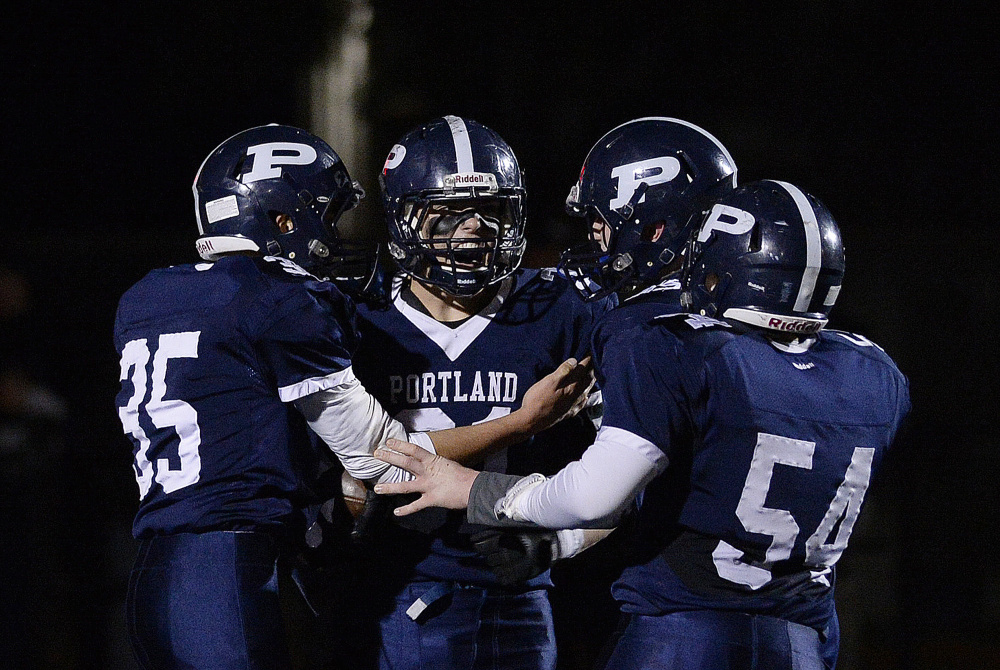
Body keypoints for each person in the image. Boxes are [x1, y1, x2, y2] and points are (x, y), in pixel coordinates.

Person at [373, 178, 911, 670]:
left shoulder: (678, 346)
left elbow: (598, 492)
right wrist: (559, 546)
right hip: (804, 635)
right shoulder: (872, 372)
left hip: (685, 632)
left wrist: (474, 488)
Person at [112, 123, 591, 670]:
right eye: (324, 215)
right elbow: (379, 461)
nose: (332, 235)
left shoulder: (150, 296)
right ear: (282, 219)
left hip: (161, 559)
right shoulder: (291, 304)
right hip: (240, 570)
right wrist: (523, 421)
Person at [311, 114, 618, 670]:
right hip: (399, 589)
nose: (474, 229)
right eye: (450, 213)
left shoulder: (561, 311)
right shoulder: (361, 320)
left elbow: (632, 468)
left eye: (491, 211)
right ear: (405, 219)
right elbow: (351, 472)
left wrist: (559, 543)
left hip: (526, 589)